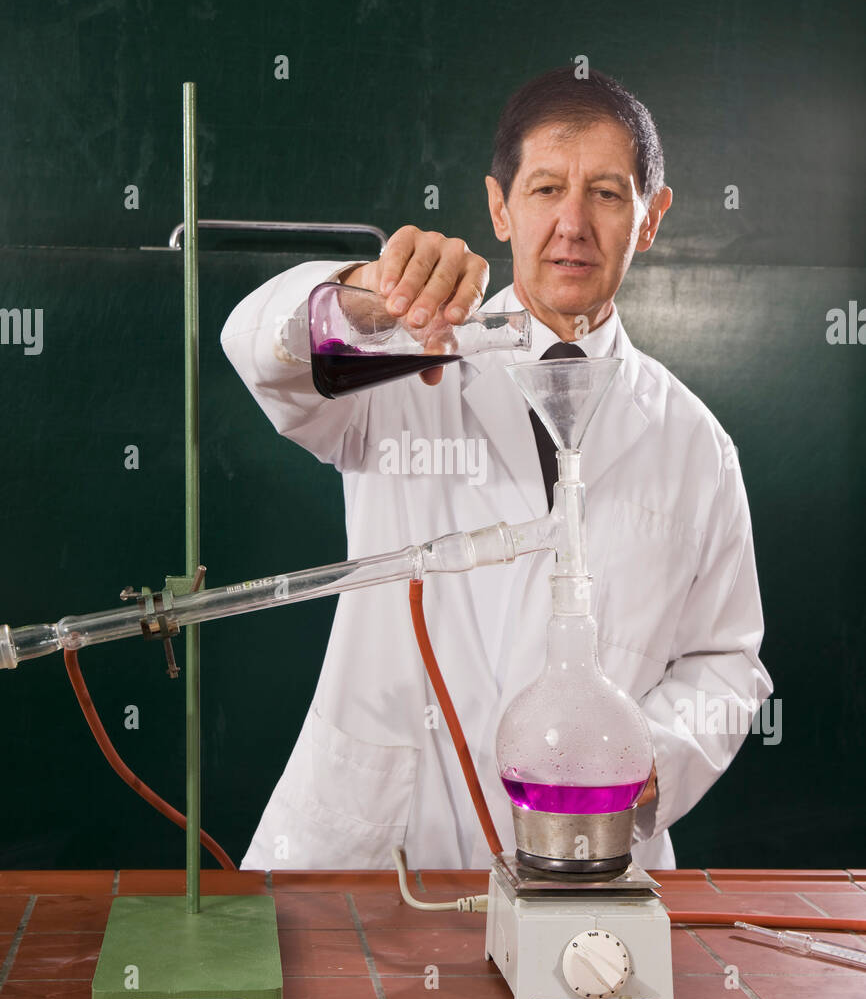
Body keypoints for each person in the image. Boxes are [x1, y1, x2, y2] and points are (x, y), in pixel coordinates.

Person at [220, 66, 772, 871]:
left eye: (608, 195)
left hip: (587, 859)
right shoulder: (401, 366)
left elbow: (726, 662)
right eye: (546, 189)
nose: (571, 225)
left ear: (652, 218)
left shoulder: (695, 444)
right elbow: (259, 352)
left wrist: (632, 767)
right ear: (499, 207)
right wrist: (371, 298)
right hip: (384, 859)